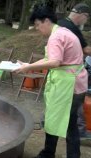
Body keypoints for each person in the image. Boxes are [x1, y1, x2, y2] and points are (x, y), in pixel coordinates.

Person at [14, 6, 87, 158]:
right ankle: (49, 152)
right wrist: (28, 66)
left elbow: (54, 62)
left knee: (68, 124)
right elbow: (49, 59)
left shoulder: (56, 37)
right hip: (75, 83)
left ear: (46, 21)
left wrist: (29, 67)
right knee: (60, 120)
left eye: (38, 25)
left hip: (69, 86)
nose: (37, 29)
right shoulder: (63, 31)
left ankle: (52, 154)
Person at [58, 3, 91, 140]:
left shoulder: (60, 23)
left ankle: (47, 121)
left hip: (59, 71)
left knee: (59, 99)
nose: (87, 21)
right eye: (87, 18)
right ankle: (81, 131)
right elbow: (86, 50)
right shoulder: (72, 28)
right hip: (71, 73)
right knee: (77, 103)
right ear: (82, 15)